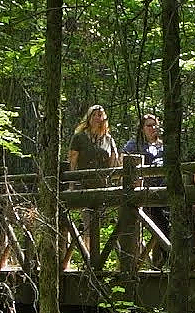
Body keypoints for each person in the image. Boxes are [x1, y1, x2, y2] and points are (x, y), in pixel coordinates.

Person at [68, 104, 120, 256]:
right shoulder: (79, 137)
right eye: (95, 115)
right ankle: (88, 258)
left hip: (103, 186)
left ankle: (110, 259)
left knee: (111, 225)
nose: (98, 118)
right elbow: (72, 161)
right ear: (89, 118)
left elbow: (113, 163)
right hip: (85, 185)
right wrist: (72, 184)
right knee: (88, 224)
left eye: (101, 115)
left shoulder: (108, 139)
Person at [122, 114, 170, 268]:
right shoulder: (133, 145)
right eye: (149, 125)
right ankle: (138, 264)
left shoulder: (163, 147)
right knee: (138, 229)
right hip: (142, 195)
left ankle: (159, 264)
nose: (153, 129)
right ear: (142, 128)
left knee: (164, 227)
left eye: (155, 125)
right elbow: (123, 165)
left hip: (163, 194)